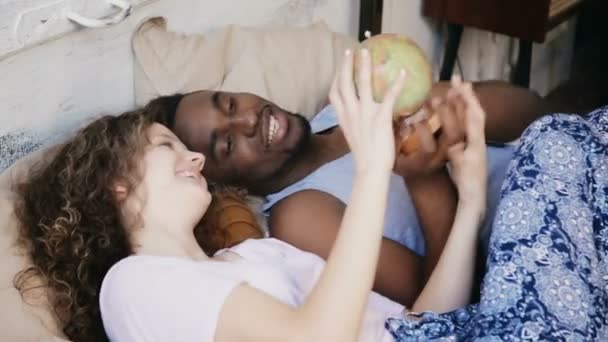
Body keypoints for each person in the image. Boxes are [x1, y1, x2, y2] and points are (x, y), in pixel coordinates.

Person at [15, 51, 489, 341]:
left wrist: (470, 204)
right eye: (167, 146)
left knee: (552, 137)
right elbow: (317, 338)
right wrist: (371, 169)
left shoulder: (256, 253)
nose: (196, 160)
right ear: (116, 181)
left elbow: (423, 328)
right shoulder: (132, 286)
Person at [145, 58, 549, 306]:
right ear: (228, 184)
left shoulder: (341, 108)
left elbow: (534, 109)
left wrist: (450, 103)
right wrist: (427, 183)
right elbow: (438, 305)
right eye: (227, 144)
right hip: (538, 243)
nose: (248, 119)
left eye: (230, 103)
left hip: (556, 159)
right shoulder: (300, 214)